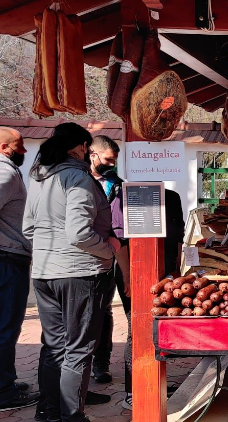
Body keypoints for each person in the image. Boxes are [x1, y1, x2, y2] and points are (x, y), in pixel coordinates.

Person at [23, 123, 121, 422]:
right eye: (86, 148)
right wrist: (109, 249)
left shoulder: (39, 177)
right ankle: (71, 417)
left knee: (54, 347)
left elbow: (28, 227)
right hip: (80, 273)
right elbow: (78, 233)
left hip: (44, 272)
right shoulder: (77, 177)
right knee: (78, 350)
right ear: (79, 148)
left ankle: (48, 413)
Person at [0, 127, 40, 411]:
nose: (24, 152)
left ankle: (6, 380)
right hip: (7, 259)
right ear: (4, 147)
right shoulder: (5, 172)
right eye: (19, 146)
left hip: (9, 257)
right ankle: (3, 392)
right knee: (6, 326)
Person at [87, 136, 125, 402]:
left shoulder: (118, 185)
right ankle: (83, 367)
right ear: (92, 154)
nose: (112, 165)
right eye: (108, 160)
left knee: (108, 311)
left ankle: (102, 363)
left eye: (115, 161)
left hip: (115, 253)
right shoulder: (78, 182)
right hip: (87, 256)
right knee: (90, 313)